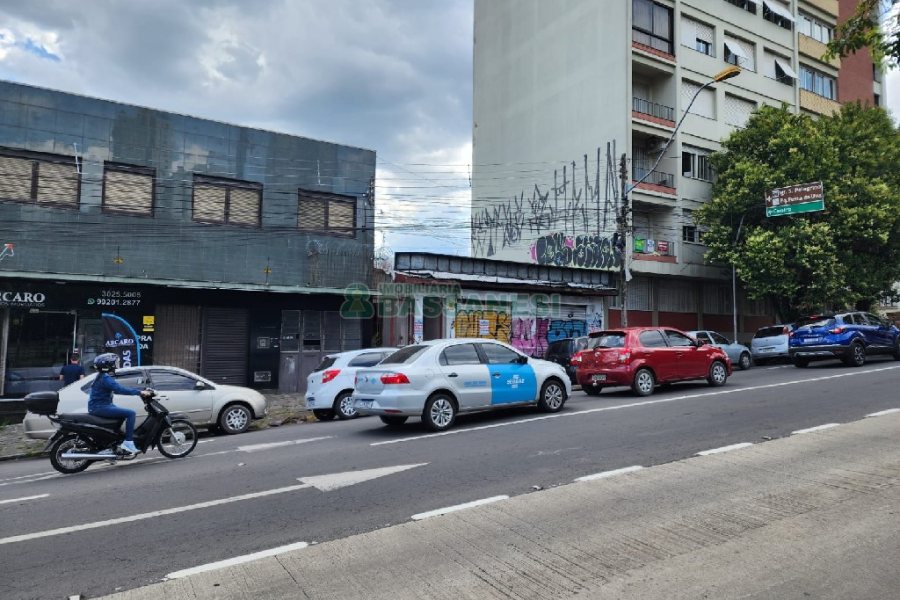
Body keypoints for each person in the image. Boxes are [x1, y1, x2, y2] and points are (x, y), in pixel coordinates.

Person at [88, 353, 151, 455]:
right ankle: (128, 443)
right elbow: (120, 389)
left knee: (121, 415)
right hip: (100, 407)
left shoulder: (101, 376)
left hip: (101, 406)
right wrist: (140, 392)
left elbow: (116, 390)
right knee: (130, 413)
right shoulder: (105, 378)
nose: (117, 364)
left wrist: (138, 391)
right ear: (108, 365)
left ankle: (112, 444)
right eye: (115, 363)